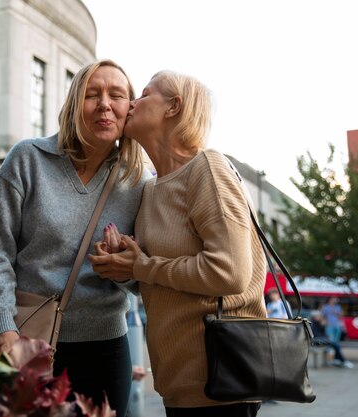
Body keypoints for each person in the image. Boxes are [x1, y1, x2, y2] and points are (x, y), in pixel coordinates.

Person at [0, 59, 150, 417]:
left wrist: (123, 267)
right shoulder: (27, 159)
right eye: (91, 94)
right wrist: (4, 327)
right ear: (73, 104)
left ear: (129, 110)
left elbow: (145, 278)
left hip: (107, 349)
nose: (104, 104)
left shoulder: (139, 183)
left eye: (117, 95)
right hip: (26, 340)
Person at [88, 70, 267, 417]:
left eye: (144, 93)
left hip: (222, 381)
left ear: (173, 107)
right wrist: (123, 267)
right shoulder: (152, 189)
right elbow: (163, 284)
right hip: (178, 384)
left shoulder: (207, 168)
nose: (132, 103)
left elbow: (228, 273)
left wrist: (141, 266)